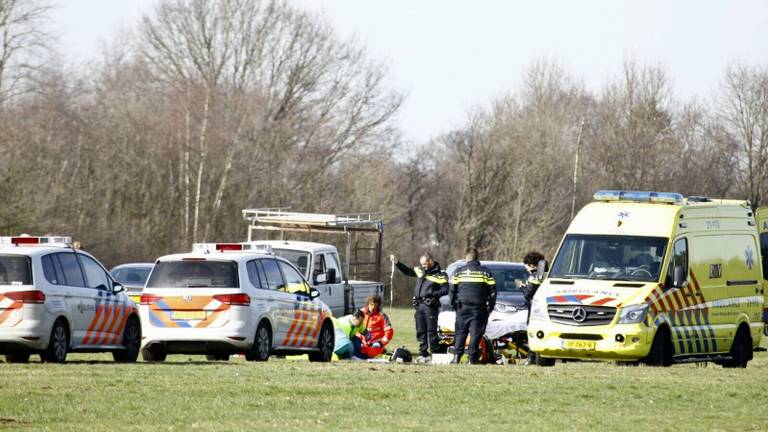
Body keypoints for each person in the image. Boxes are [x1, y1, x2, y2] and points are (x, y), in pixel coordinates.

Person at [390, 252, 448, 363]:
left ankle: (435, 354)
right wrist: (397, 263)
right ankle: (423, 354)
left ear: (430, 261)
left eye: (425, 264)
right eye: (422, 264)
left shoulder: (441, 274)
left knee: (431, 331)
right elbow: (408, 271)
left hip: (430, 305)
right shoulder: (421, 271)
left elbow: (445, 289)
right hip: (419, 306)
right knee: (420, 330)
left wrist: (433, 292)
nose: (423, 266)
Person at [449, 247, 496, 364]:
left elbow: (452, 290)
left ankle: (456, 358)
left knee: (460, 332)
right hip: (479, 308)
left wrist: (454, 304)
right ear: (477, 258)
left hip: (462, 307)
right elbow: (493, 291)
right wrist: (490, 306)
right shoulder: (486, 272)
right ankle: (471, 359)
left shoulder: (459, 271)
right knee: (475, 333)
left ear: (466, 258)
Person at [353, 295, 394, 359]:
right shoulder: (360, 313)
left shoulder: (382, 316)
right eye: (371, 305)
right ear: (368, 303)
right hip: (360, 344)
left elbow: (389, 332)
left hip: (374, 346)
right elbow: (353, 327)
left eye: (375, 305)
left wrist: (381, 343)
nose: (373, 307)